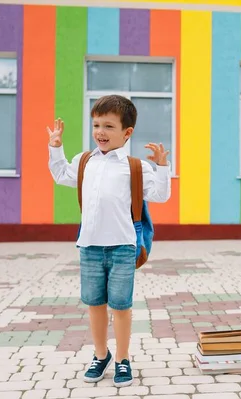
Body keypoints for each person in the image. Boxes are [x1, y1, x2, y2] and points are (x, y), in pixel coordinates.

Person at [47, 95, 171, 387]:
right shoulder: (84, 161)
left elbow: (161, 196)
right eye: (96, 125)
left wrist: (163, 167)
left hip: (122, 247)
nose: (100, 132)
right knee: (94, 303)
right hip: (89, 245)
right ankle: (100, 355)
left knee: (121, 305)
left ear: (127, 132)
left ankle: (123, 359)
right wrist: (56, 147)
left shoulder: (135, 167)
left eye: (108, 126)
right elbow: (60, 174)